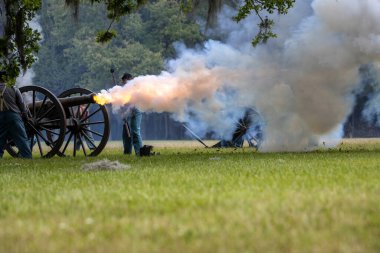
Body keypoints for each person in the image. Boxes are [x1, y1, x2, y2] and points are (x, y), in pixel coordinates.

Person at [0, 71, 32, 158]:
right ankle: (27, 157)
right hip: (13, 116)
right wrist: (26, 117)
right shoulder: (14, 88)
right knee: (21, 138)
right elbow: (22, 105)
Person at [120, 72, 143, 155]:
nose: (123, 83)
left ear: (127, 79)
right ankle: (127, 152)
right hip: (128, 111)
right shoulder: (125, 88)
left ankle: (139, 152)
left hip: (135, 110)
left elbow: (133, 101)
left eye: (123, 81)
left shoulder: (134, 88)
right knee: (126, 133)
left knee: (135, 131)